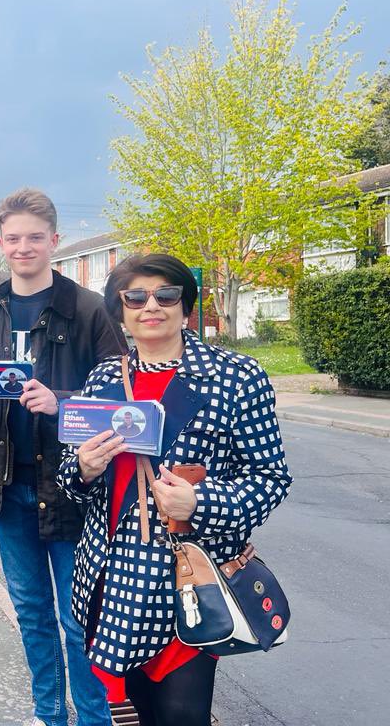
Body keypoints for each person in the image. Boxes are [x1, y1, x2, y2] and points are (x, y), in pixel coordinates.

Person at [58, 254, 292, 726]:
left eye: (166, 295)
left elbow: (271, 478)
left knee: (184, 712)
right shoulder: (104, 378)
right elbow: (72, 481)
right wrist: (82, 468)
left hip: (185, 575)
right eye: (136, 297)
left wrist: (202, 502)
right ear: (119, 309)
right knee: (141, 707)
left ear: (185, 306)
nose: (152, 306)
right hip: (113, 575)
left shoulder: (236, 377)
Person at [0, 188, 124, 726]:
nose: (24, 247)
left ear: (54, 241)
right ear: (1, 244)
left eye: (35, 238)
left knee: (77, 618)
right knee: (33, 615)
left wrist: (61, 404)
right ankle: (49, 714)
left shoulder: (87, 309)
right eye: (14, 238)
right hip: (6, 488)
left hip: (71, 489)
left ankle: (92, 719)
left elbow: (118, 401)